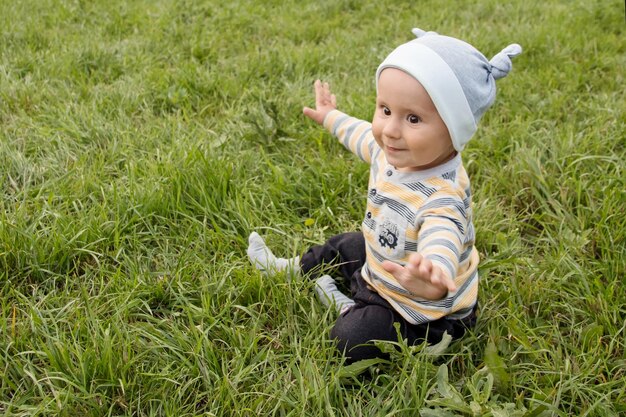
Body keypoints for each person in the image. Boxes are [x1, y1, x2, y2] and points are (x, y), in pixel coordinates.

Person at [247, 28, 522, 362]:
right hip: (384, 266)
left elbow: (444, 236)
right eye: (385, 109)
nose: (390, 129)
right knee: (346, 245)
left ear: (454, 128)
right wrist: (330, 116)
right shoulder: (390, 149)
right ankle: (292, 267)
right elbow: (360, 133)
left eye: (413, 118)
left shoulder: (442, 195)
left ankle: (347, 307)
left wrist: (434, 274)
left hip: (422, 311)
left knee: (351, 340)